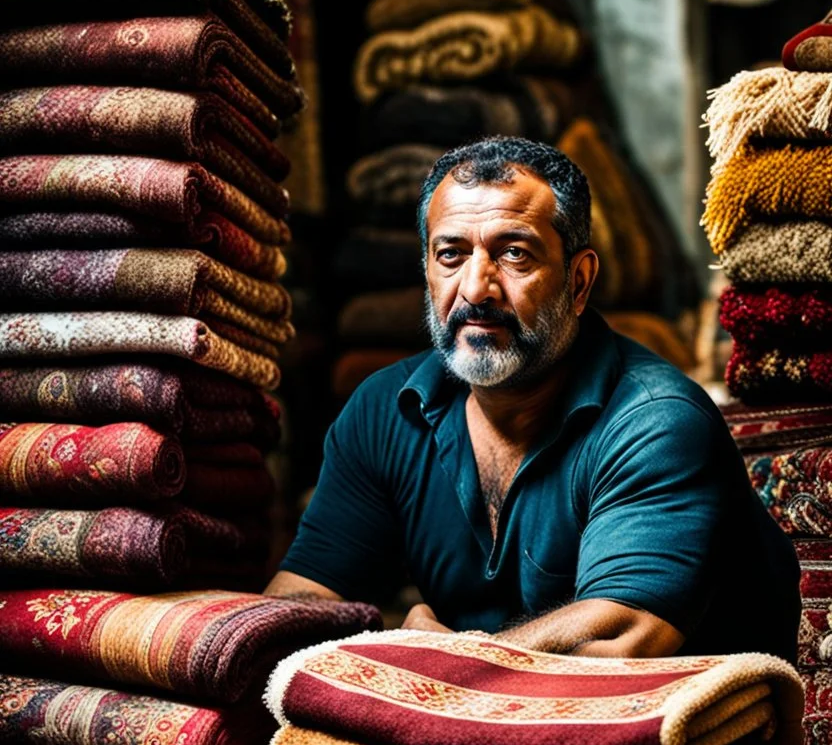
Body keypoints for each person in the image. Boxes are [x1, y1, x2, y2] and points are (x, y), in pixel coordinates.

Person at [266, 137, 800, 662]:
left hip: (680, 733)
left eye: (514, 254)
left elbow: (620, 647)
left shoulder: (655, 420)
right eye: (450, 254)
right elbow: (306, 594)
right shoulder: (387, 409)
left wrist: (441, 657)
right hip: (490, 724)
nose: (476, 289)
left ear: (579, 280)